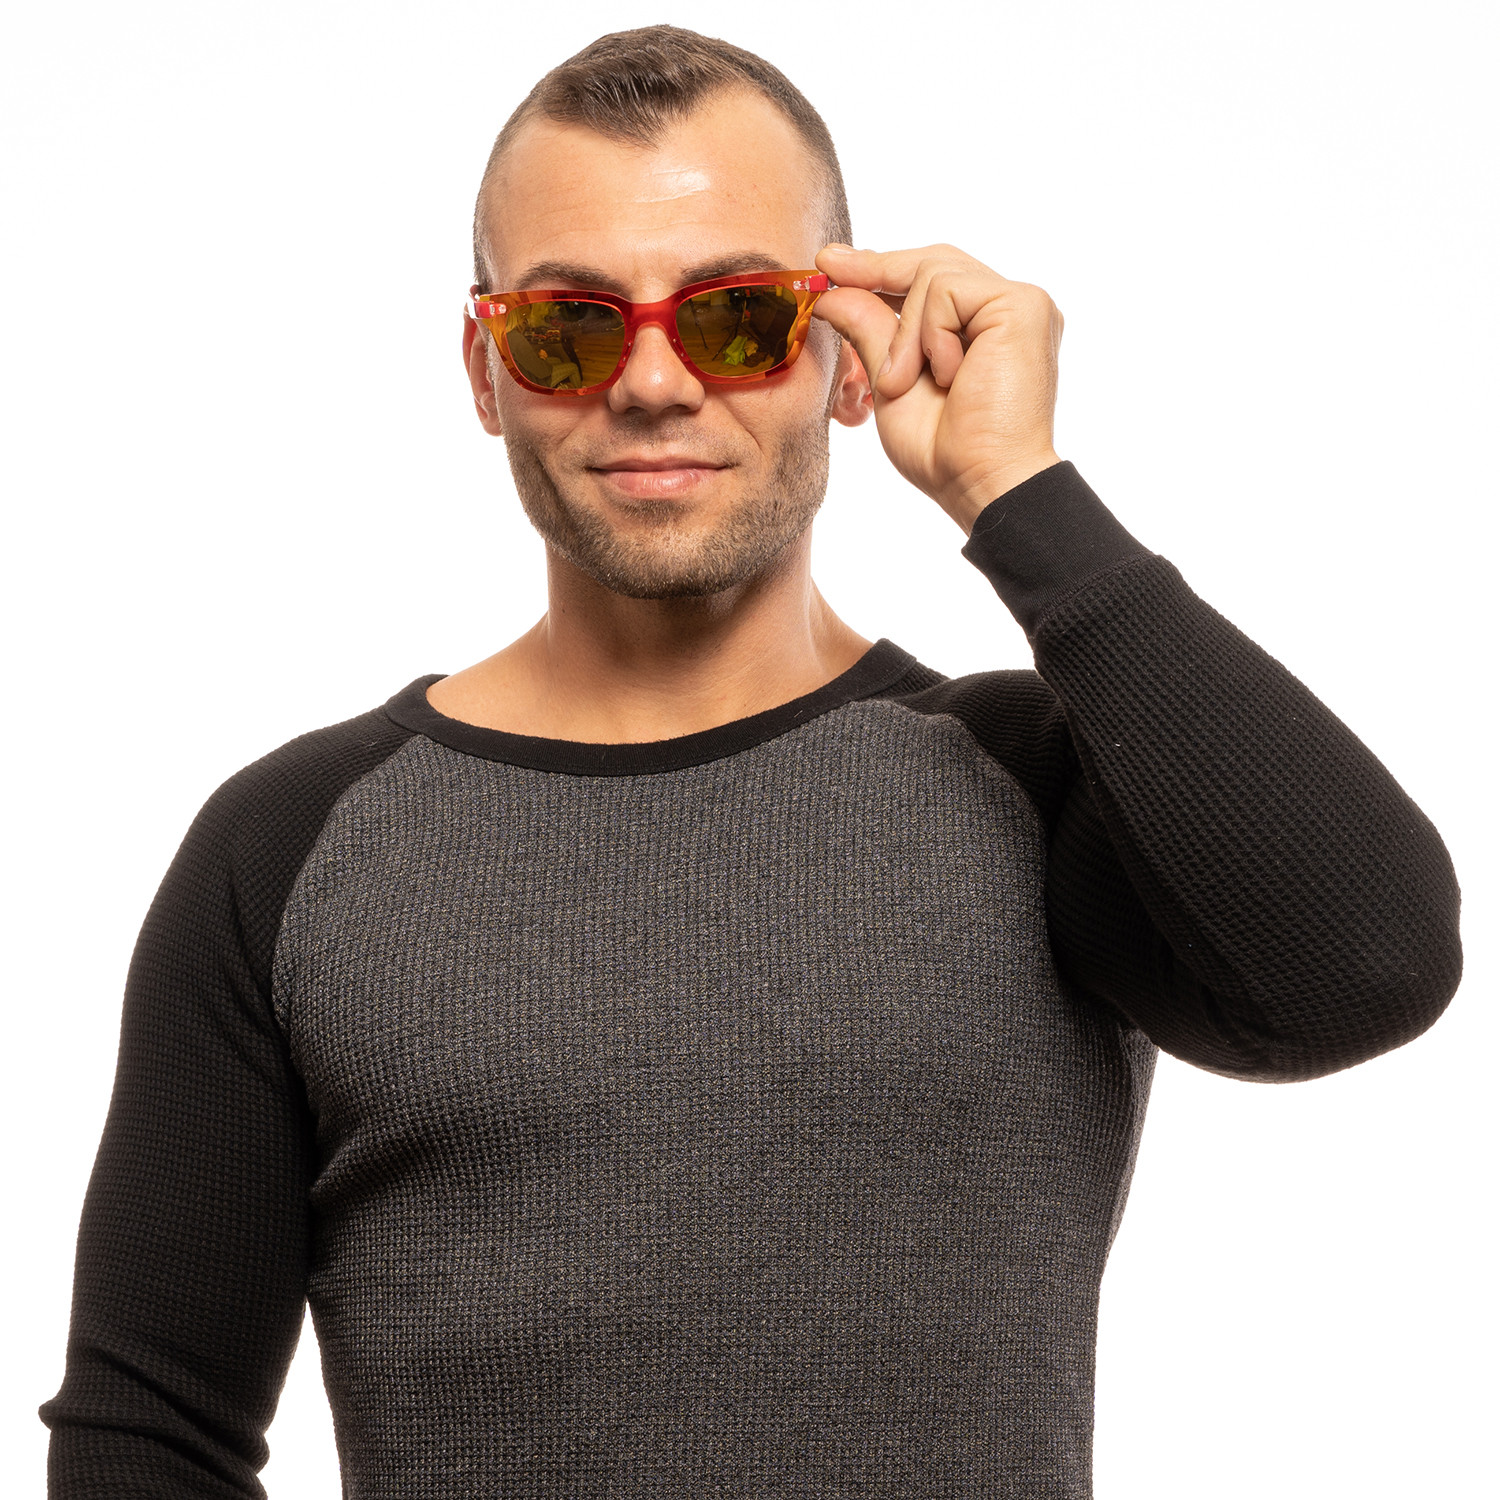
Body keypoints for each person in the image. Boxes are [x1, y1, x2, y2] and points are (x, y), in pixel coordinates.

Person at [38, 23, 1462, 1500]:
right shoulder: (290, 846)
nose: (653, 383)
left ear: (845, 355)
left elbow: (1367, 966)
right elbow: (151, 1434)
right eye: (570, 326)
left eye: (734, 319)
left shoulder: (1035, 789)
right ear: (486, 372)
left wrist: (1018, 492)